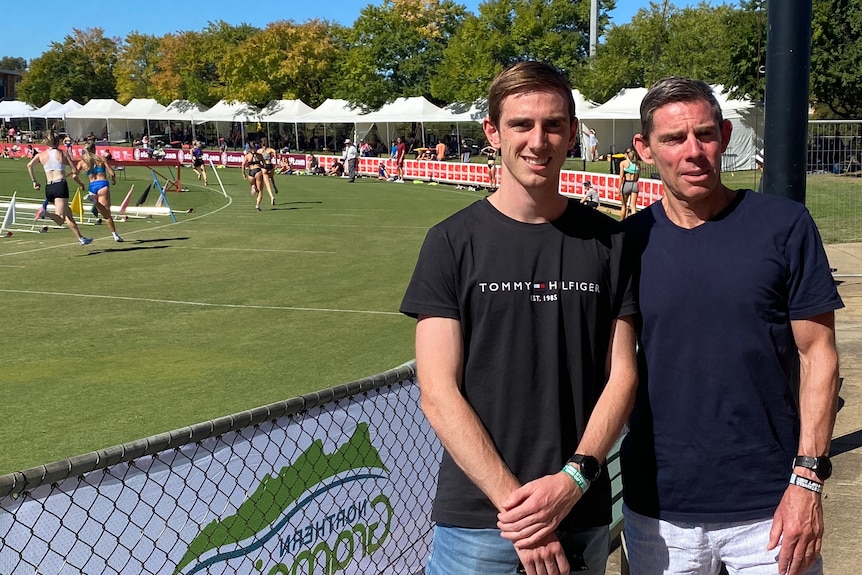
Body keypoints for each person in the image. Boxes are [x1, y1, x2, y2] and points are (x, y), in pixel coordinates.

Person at [400, 61, 638, 575]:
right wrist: (522, 512)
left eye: (553, 124)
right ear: (492, 132)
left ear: (573, 132)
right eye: (521, 125)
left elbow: (622, 374)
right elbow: (438, 390)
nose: (538, 140)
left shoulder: (610, 242)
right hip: (479, 522)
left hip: (581, 511)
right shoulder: (450, 242)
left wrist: (572, 481)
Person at [620, 76, 843, 575]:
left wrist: (807, 481)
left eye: (705, 134)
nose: (693, 152)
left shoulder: (784, 226)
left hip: (771, 505)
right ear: (645, 148)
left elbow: (818, 356)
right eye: (673, 139)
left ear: (723, 134)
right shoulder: (626, 243)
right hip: (660, 512)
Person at [27, 130, 92, 245]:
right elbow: (74, 170)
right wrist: (77, 173)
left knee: (68, 215)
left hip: (49, 187)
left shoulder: (41, 155)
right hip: (60, 186)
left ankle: (81, 238)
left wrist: (34, 181)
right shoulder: (62, 153)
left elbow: (29, 165)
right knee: (61, 219)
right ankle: (44, 213)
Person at [77, 142, 123, 242]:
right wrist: (114, 181)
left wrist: (81, 184)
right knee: (107, 214)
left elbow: (74, 175)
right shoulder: (101, 158)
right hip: (102, 184)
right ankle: (115, 234)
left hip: (92, 186)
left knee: (103, 211)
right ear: (94, 149)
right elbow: (112, 173)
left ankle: (94, 200)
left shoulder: (82, 162)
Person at [241, 144, 268, 211]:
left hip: (251, 173)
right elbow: (264, 164)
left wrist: (243, 173)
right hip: (258, 171)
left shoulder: (247, 156)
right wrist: (261, 166)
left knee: (253, 184)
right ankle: (257, 205)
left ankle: (253, 186)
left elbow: (243, 164)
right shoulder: (259, 155)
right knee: (260, 191)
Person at [617, 147, 640, 219]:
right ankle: (634, 223)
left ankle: (622, 222)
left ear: (627, 155)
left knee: (624, 206)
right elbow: (637, 177)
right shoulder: (637, 164)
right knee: (633, 206)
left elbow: (621, 177)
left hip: (626, 184)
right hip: (634, 184)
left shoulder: (623, 163)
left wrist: (619, 188)